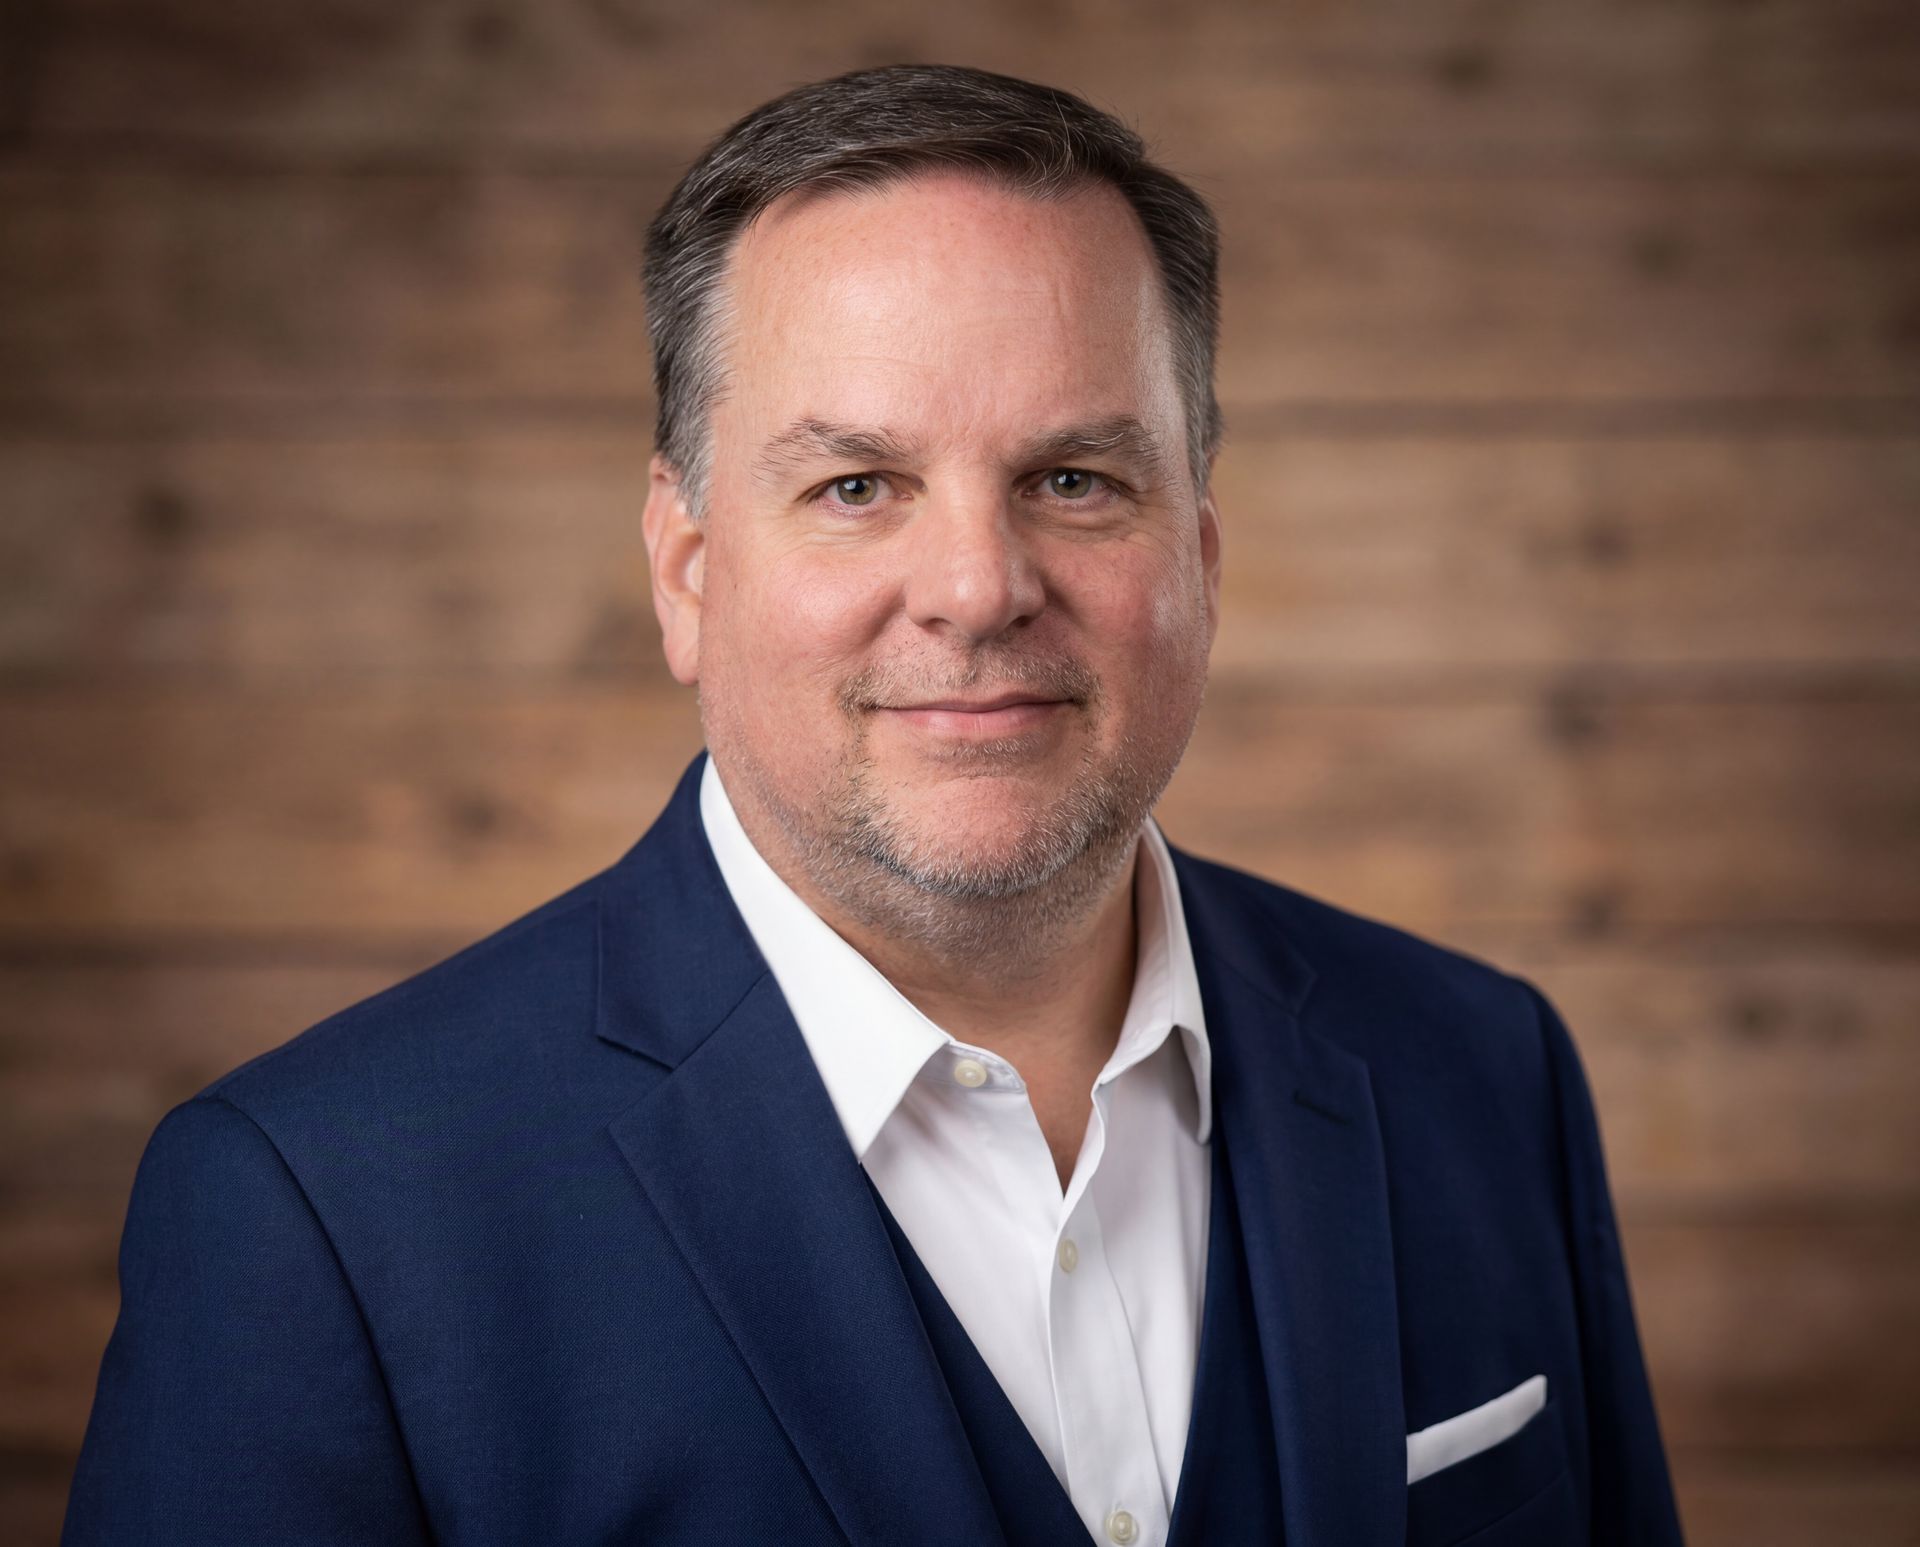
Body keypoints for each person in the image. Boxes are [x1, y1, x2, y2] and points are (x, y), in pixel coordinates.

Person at [62, 63, 1685, 1547]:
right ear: (688, 571)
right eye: (856, 486)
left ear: (1198, 550)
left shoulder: (1485, 1075)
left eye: (1075, 479)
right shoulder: (320, 1217)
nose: (978, 589)